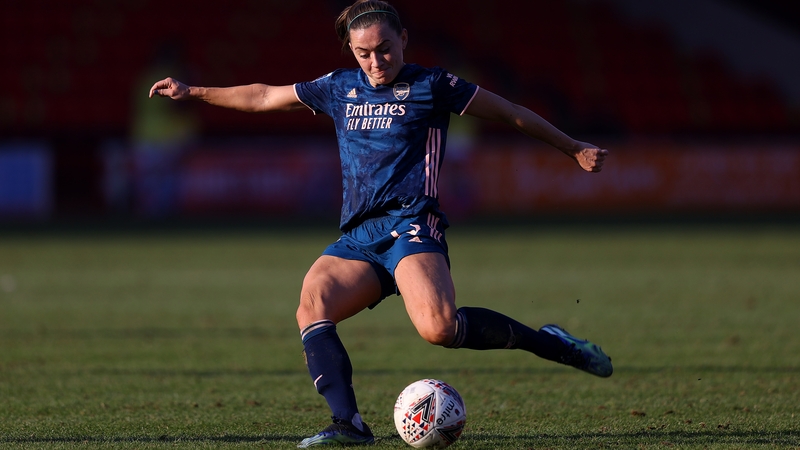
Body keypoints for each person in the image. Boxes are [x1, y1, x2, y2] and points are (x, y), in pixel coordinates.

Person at [149, 0, 612, 447]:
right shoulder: (338, 86)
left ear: (404, 39)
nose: (376, 61)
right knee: (312, 306)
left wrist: (571, 147)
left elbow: (510, 112)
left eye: (385, 48)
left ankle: (549, 343)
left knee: (439, 330)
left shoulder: (434, 85)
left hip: (411, 224)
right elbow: (265, 96)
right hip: (360, 235)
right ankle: (348, 424)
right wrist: (194, 92)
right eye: (364, 52)